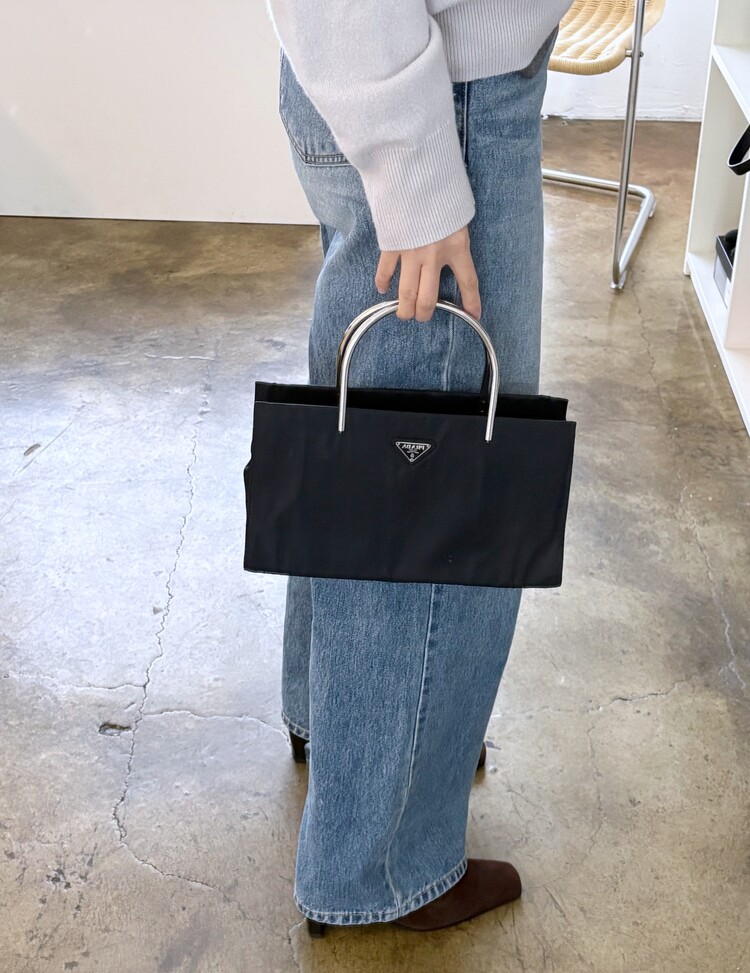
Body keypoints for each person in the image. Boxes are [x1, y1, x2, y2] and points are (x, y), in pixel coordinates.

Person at [264, 0, 572, 936]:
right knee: (435, 482)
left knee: (367, 436)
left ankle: (338, 722)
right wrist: (416, 166)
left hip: (398, 79)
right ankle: (384, 861)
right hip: (441, 101)